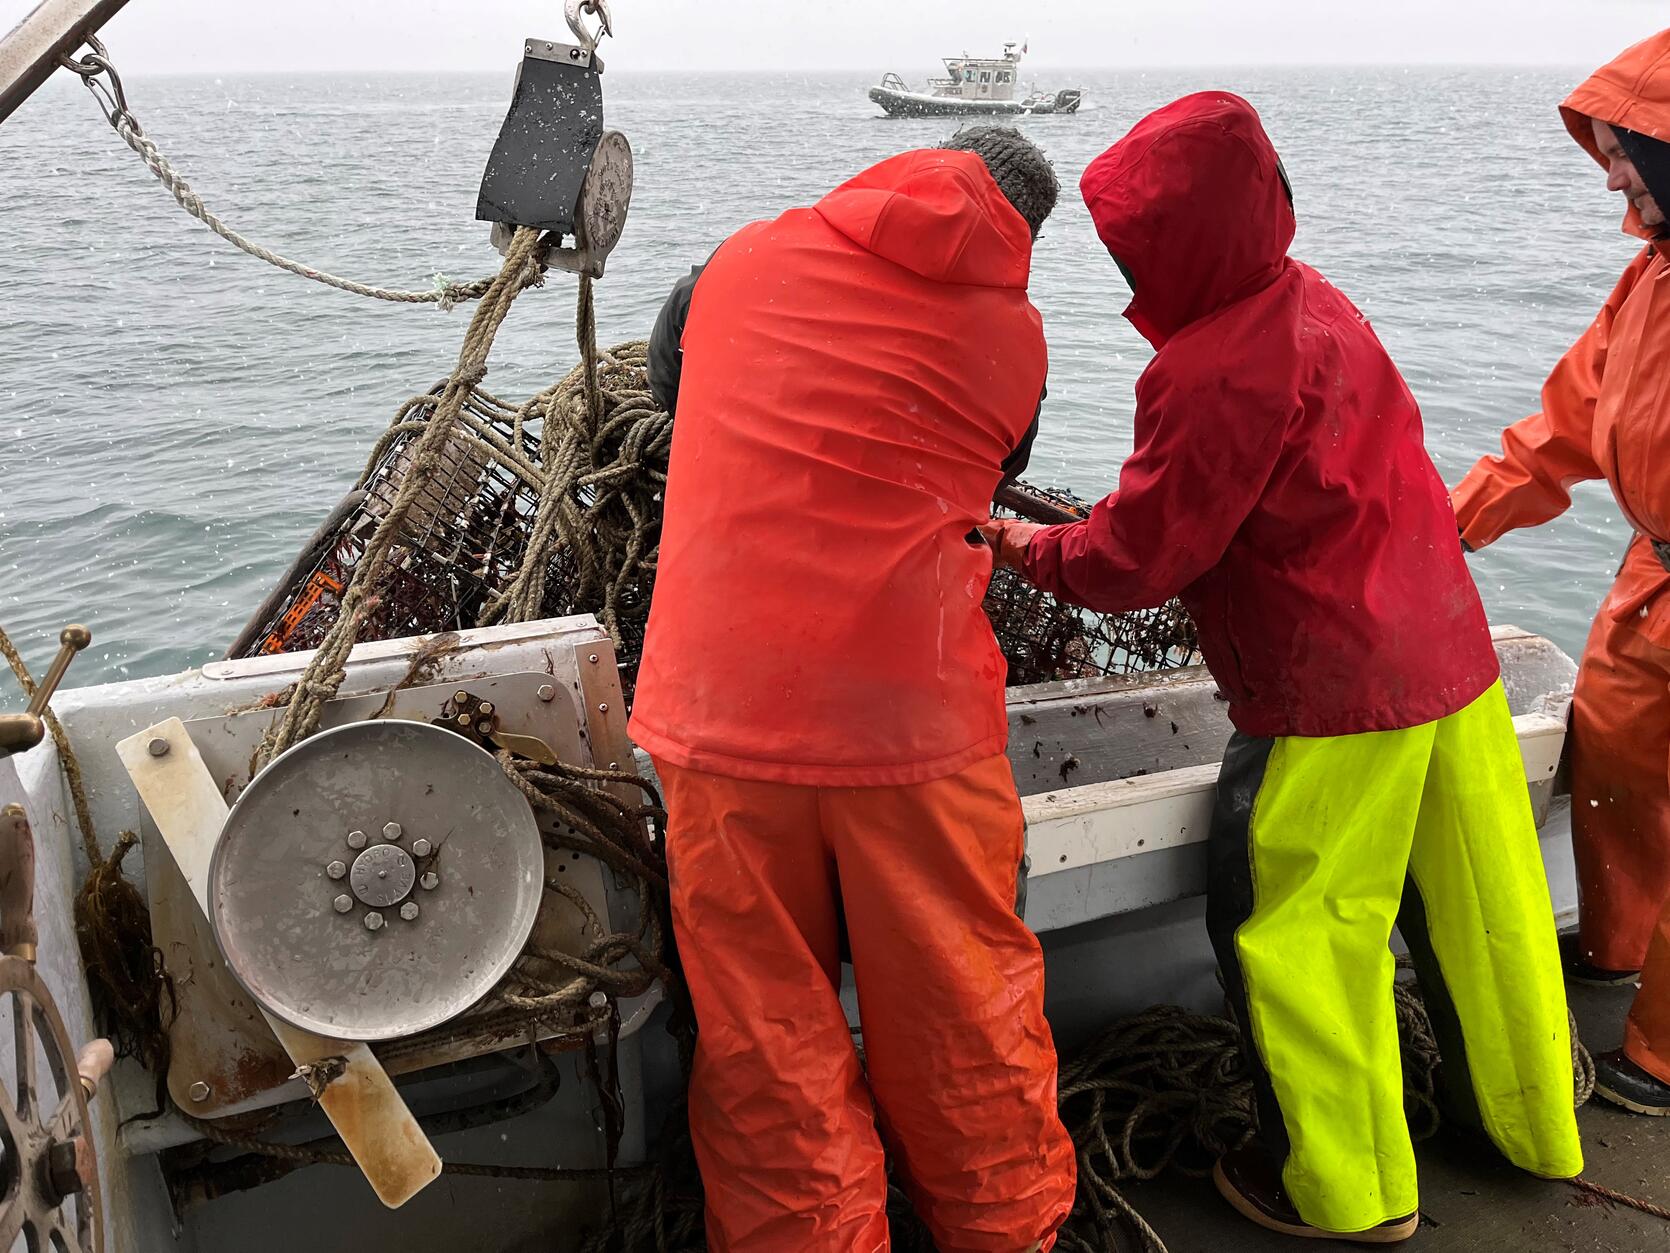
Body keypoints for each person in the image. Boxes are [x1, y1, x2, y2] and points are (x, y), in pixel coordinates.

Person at [981, 92, 1584, 1242]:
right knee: (1486, 906)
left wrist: (1030, 545)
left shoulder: (1205, 369)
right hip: (1446, 656)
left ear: (1173, 243)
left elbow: (1143, 552)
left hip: (1330, 690)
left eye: (1132, 243)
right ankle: (1533, 1125)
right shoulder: (1319, 302)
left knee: (1299, 932)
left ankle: (1343, 1195)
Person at [629, 127, 1076, 1252]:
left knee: (763, 1033)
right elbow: (997, 468)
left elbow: (666, 385)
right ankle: (1008, 1233)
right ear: (1022, 232)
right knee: (962, 1012)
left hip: (716, 716)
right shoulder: (1013, 335)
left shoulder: (732, 262)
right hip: (911, 730)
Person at [1451, 28, 1670, 1116]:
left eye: (1628, 149)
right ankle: (1611, 951)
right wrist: (1444, 526)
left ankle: (1663, 1052)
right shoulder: (1645, 284)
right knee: (1612, 763)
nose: (1612, 172)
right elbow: (1556, 431)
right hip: (1649, 576)